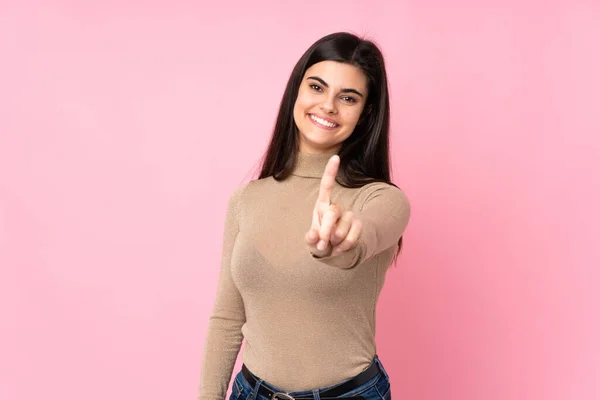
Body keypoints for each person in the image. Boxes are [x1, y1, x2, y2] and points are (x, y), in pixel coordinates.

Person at [198, 31, 411, 400]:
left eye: (348, 98)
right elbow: (228, 319)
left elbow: (363, 236)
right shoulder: (246, 200)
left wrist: (341, 241)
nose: (328, 106)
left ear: (365, 115)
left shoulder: (382, 199)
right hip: (252, 393)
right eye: (316, 87)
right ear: (297, 92)